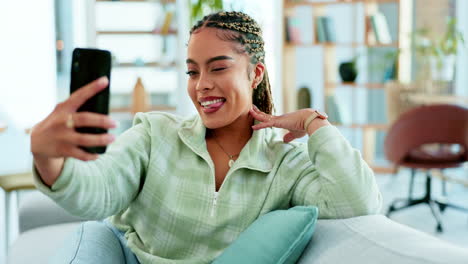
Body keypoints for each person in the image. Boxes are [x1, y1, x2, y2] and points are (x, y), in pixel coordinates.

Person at [31, 11, 382, 264]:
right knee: (91, 234)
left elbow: (358, 202)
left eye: (218, 68)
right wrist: (49, 160)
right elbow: (99, 192)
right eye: (192, 71)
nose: (201, 85)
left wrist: (313, 122)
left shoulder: (285, 164)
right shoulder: (155, 134)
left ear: (255, 74)